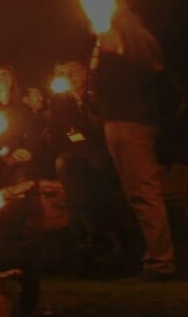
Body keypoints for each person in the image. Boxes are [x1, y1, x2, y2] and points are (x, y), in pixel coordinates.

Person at [91, 9, 175, 281]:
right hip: (142, 120)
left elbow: (96, 79)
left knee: (143, 193)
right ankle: (154, 259)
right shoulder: (146, 41)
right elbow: (158, 76)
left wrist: (97, 48)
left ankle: (160, 263)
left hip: (125, 122)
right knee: (141, 193)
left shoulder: (114, 35)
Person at [48, 60, 128, 274]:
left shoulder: (98, 95)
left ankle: (99, 237)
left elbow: (105, 127)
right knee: (64, 164)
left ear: (85, 73)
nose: (70, 76)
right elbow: (60, 133)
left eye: (74, 71)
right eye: (65, 73)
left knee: (93, 172)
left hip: (105, 151)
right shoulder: (60, 102)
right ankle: (98, 234)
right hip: (77, 154)